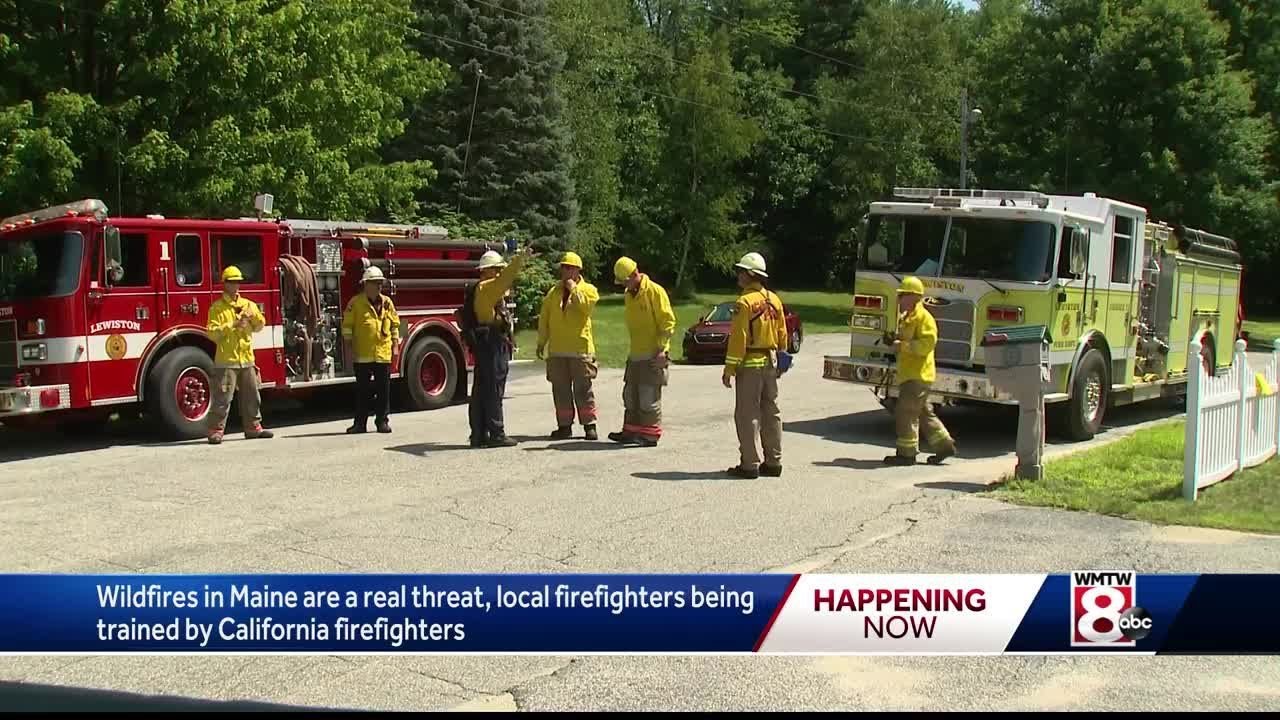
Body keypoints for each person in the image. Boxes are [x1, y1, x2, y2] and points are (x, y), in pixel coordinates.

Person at [722, 252, 789, 479]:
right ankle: (774, 462)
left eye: (741, 272)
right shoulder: (774, 299)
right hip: (770, 362)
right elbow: (782, 334)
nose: (738, 275)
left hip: (750, 364)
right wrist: (781, 359)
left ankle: (749, 464)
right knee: (771, 412)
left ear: (750, 275)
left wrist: (729, 369)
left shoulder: (744, 302)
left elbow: (738, 338)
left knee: (747, 414)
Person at [884, 276, 956, 466]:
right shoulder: (908, 318)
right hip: (910, 374)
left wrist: (902, 345)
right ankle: (944, 445)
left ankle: (906, 454)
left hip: (918, 375)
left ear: (915, 297)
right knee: (923, 413)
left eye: (903, 295)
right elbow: (905, 340)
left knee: (905, 412)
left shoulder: (924, 318)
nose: (899, 300)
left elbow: (926, 344)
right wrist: (893, 339)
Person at [469, 246, 535, 448]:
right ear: (485, 271)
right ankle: (497, 433)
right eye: (495, 269)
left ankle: (479, 434)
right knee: (494, 389)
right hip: (492, 344)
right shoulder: (487, 287)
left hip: (485, 343)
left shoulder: (482, 289)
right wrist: (519, 260)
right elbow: (505, 279)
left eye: (499, 269)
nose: (498, 273)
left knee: (481, 390)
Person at [608, 257, 675, 447]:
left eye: (624, 281)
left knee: (648, 397)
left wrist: (662, 351)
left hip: (653, 354)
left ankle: (650, 434)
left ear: (634, 274)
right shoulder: (629, 294)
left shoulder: (655, 292)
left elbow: (667, 323)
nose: (623, 285)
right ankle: (631, 431)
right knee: (630, 395)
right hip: (635, 354)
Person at [536, 252, 600, 440]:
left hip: (580, 349)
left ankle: (589, 425)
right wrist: (542, 342)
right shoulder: (553, 293)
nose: (564, 271)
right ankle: (564, 426)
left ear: (577, 270)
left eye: (569, 267)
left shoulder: (589, 289)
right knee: (560, 390)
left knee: (583, 389)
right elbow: (545, 319)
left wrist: (573, 288)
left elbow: (585, 307)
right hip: (557, 350)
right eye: (563, 267)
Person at [206, 266, 273, 444]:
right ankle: (216, 431)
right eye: (233, 282)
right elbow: (212, 333)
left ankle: (253, 428)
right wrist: (233, 324)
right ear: (225, 284)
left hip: (247, 359)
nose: (237, 285)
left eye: (238, 282)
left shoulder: (248, 304)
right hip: (226, 361)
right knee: (223, 398)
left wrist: (254, 318)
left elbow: (260, 326)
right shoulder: (217, 308)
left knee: (252, 396)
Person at [342, 266, 400, 434]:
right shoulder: (355, 303)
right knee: (362, 392)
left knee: (384, 391)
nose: (379, 286)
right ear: (366, 284)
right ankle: (360, 424)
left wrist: (396, 346)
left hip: (383, 354)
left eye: (380, 283)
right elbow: (347, 326)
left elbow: (396, 324)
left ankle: (382, 422)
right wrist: (349, 347)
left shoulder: (387, 302)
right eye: (375, 283)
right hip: (363, 355)